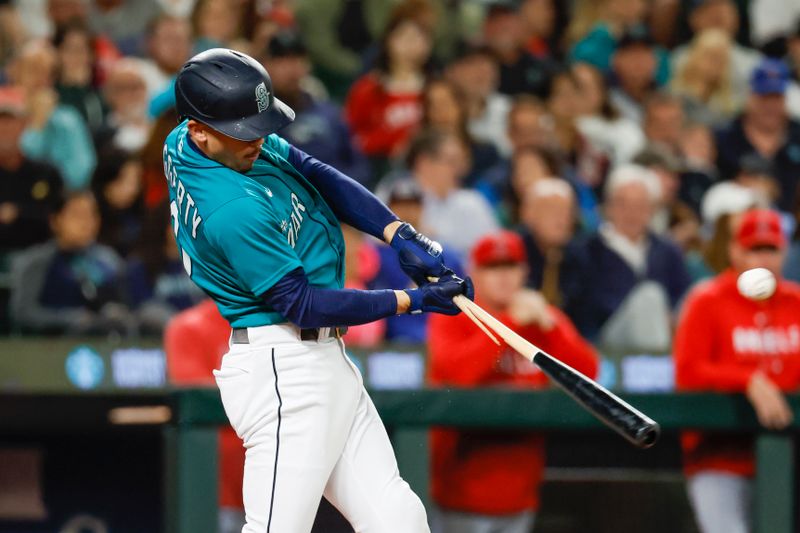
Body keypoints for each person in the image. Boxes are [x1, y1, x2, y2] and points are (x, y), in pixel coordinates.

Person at [167, 48, 473, 532]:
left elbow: (312, 169)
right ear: (201, 131)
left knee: (398, 518)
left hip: (322, 361)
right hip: (283, 368)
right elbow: (303, 306)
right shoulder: (230, 210)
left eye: (260, 123)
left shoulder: (193, 138)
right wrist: (413, 301)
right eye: (245, 130)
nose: (259, 139)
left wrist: (397, 233)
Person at [428, 230, 598, 533]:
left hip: (520, 493)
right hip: (460, 492)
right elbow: (457, 375)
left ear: (524, 271)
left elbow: (588, 375)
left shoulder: (541, 318)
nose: (504, 277)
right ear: (474, 273)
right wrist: (510, 324)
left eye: (511, 267)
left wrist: (551, 328)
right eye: (493, 268)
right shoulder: (452, 315)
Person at [675, 208, 800, 533]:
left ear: (784, 251)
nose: (763, 258)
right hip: (719, 457)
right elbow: (687, 373)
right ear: (735, 251)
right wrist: (747, 380)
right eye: (754, 249)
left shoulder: (796, 303)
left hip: (788, 458)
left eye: (770, 249)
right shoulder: (707, 300)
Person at [575, 164, 691, 352]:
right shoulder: (587, 250)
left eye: (640, 205)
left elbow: (682, 296)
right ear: (609, 206)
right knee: (649, 296)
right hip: (605, 344)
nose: (632, 213)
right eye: (623, 204)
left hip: (664, 335)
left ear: (652, 209)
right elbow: (583, 308)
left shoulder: (668, 250)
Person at [164, 299, 246, 533]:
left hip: (279, 491)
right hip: (216, 494)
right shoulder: (189, 327)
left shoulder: (280, 326)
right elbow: (198, 400)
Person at [10, 190, 131, 335]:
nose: (86, 223)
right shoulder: (37, 262)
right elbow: (23, 313)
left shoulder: (109, 260)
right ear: (55, 220)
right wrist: (68, 319)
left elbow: (128, 305)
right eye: (77, 215)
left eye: (92, 215)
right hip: (51, 346)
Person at [262, 30, 370, 186]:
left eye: (296, 59)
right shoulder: (258, 118)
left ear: (307, 65)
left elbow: (360, 166)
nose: (291, 69)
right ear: (267, 65)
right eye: (282, 60)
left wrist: (338, 187)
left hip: (332, 199)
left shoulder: (330, 114)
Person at [368, 179, 464, 344]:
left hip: (441, 338)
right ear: (390, 209)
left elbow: (463, 300)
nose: (407, 212)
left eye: (413, 205)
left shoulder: (446, 254)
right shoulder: (376, 255)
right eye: (400, 206)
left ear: (422, 208)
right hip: (393, 344)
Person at [344, 10, 431, 163]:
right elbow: (350, 138)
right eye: (405, 37)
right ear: (388, 40)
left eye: (418, 38)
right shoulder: (368, 88)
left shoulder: (436, 89)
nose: (411, 45)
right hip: (376, 166)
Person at [715, 58, 800, 211]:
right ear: (751, 96)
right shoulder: (726, 137)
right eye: (764, 98)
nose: (771, 106)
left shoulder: (797, 135)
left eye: (777, 98)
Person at [404, 129, 499, 257]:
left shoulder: (473, 202)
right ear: (424, 163)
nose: (461, 169)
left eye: (461, 162)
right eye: (452, 161)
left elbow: (494, 249)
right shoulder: (399, 195)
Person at [0, 86, 63, 254]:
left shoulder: (46, 172)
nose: (4, 129)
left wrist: (19, 213)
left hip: (38, 257)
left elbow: (57, 216)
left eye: (10, 121)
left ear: (24, 124)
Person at [517, 178, 589, 320]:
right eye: (551, 210)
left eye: (566, 211)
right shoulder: (514, 252)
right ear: (528, 214)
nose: (561, 219)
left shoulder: (583, 256)